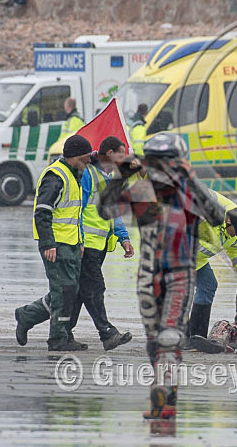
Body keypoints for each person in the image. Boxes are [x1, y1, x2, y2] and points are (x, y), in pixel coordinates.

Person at [98, 132, 224, 419]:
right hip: (150, 274)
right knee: (155, 340)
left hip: (179, 273)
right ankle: (163, 396)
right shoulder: (143, 189)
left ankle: (165, 401)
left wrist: (190, 179)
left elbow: (217, 216)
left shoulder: (187, 191)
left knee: (168, 337)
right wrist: (120, 175)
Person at [14, 135, 92, 351]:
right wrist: (48, 244)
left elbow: (72, 214)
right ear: (74, 156)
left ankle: (27, 316)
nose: (87, 164)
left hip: (71, 244)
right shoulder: (56, 177)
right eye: (85, 159)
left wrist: (79, 241)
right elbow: (42, 212)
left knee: (69, 292)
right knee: (62, 292)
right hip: (56, 245)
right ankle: (58, 339)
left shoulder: (73, 174)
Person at [67, 136, 134, 351]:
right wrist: (81, 241)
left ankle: (60, 332)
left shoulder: (110, 177)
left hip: (101, 243)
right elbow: (78, 209)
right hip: (87, 244)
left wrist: (123, 238)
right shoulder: (88, 174)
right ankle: (107, 333)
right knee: (95, 287)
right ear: (110, 153)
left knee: (79, 291)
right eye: (121, 155)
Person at [187, 191, 237, 342]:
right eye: (236, 232)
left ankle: (196, 336)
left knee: (208, 285)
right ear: (228, 221)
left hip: (196, 258)